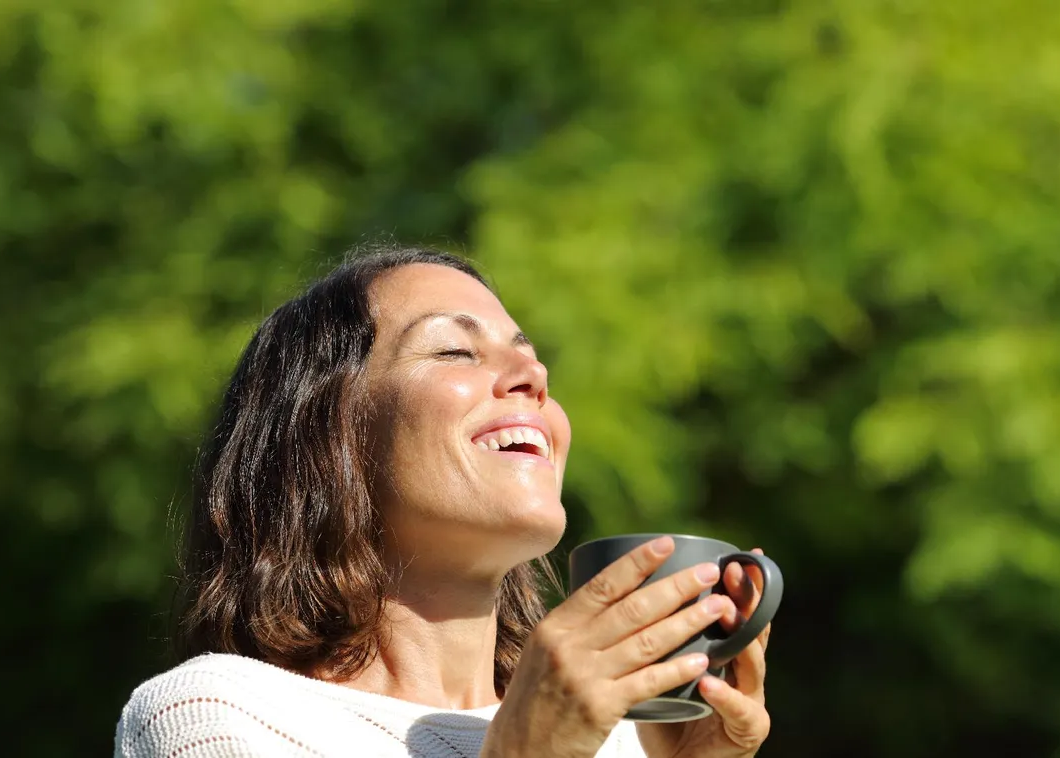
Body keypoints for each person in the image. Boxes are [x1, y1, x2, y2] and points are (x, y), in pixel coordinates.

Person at [113, 244, 773, 757]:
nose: (534, 378)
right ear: (328, 431)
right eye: (455, 350)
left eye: (530, 358)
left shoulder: (624, 738)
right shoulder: (219, 714)